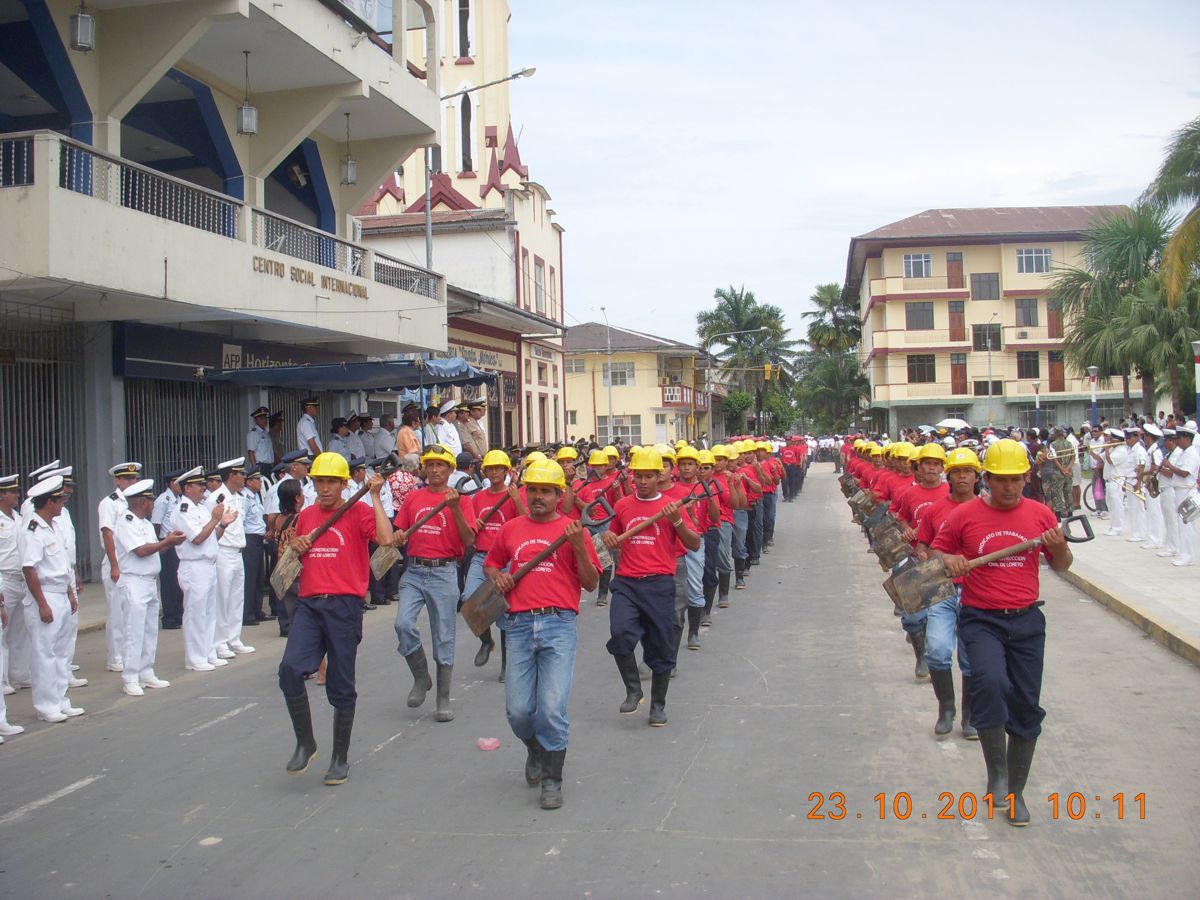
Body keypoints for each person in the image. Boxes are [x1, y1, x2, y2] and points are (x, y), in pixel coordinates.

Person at [932, 439, 1072, 826]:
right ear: (987, 480)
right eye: (1001, 480)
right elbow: (937, 553)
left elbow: (1062, 566)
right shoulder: (965, 516)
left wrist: (1058, 547)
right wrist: (952, 559)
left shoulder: (1041, 515)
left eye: (1016, 480)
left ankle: (1016, 791)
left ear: (1026, 478)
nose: (1009, 487)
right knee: (990, 684)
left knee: (1026, 703)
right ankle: (996, 772)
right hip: (981, 619)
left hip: (1026, 620)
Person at [484, 458, 600, 809]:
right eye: (532, 490)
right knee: (519, 710)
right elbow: (491, 562)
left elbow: (592, 583)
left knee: (550, 709)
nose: (537, 497)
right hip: (517, 626)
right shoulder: (511, 529)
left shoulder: (574, 530)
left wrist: (578, 546)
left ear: (558, 494)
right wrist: (497, 576)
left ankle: (552, 778)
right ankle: (536, 748)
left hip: (558, 624)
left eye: (545, 491)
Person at [278, 452, 393, 785]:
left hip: (344, 607)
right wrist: (295, 548)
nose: (325, 488)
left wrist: (373, 497)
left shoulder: (358, 511)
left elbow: (386, 541)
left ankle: (340, 757)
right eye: (319, 482)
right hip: (309, 605)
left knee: (341, 685)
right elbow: (293, 561)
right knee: (289, 669)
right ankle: (305, 741)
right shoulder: (307, 515)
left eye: (331, 482)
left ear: (345, 484)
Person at [603, 448, 701, 727]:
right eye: (639, 476)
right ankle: (633, 689)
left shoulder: (672, 505)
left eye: (649, 476)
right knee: (620, 633)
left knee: (661, 647)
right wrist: (610, 536)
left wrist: (677, 521)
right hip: (627, 582)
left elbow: (694, 543)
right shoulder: (623, 505)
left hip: (659, 584)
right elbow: (614, 535)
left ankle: (658, 705)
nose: (643, 481)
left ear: (660, 476)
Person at [392, 444, 475, 722]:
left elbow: (469, 540)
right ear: (424, 468)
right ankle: (420, 676)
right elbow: (400, 530)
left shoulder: (462, 500)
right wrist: (399, 536)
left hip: (444, 572)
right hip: (414, 571)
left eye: (441, 465)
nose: (435, 470)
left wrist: (455, 510)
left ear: (451, 469)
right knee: (402, 624)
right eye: (431, 465)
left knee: (444, 635)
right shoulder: (414, 498)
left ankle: (442, 697)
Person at [914, 447, 980, 740]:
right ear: (948, 476)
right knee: (938, 651)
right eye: (957, 472)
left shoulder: (987, 510)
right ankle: (947, 709)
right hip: (942, 590)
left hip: (978, 592)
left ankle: (970, 716)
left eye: (968, 471)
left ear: (977, 477)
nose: (963, 476)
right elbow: (922, 547)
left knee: (971, 658)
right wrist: (936, 561)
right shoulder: (935, 510)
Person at [19, 476, 84, 723]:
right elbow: (29, 569)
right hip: (44, 594)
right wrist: (42, 604)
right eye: (60, 500)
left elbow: (62, 563)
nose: (62, 505)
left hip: (60, 592)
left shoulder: (53, 525)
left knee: (59, 651)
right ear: (49, 502)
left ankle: (60, 700)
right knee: (44, 652)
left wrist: (69, 593)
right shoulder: (32, 529)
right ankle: (46, 705)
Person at [114, 479, 185, 697]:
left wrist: (170, 542)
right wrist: (166, 542)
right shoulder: (126, 521)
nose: (153, 503)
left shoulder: (144, 523)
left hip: (148, 581)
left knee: (149, 629)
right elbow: (141, 551)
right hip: (133, 581)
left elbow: (154, 550)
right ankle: (130, 677)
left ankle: (146, 671)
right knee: (134, 631)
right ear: (143, 502)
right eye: (150, 500)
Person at [465, 450, 525, 670]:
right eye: (490, 469)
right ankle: (486, 641)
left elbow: (524, 522)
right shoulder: (478, 498)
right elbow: (469, 531)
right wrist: (476, 524)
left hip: (506, 559)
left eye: (498, 468)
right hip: (481, 556)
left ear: (507, 470)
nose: (494, 472)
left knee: (504, 609)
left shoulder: (514, 494)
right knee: (469, 598)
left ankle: (506, 664)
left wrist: (517, 500)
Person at [175, 466, 232, 672]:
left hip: (208, 564)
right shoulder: (183, 509)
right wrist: (215, 519)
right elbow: (197, 538)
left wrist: (222, 525)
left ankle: (208, 652)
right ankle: (195, 657)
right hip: (194, 566)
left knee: (209, 613)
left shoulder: (199, 508)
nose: (203, 488)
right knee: (195, 614)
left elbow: (211, 538)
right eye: (199, 485)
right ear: (187, 487)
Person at [98, 462, 143, 673]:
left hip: (131, 560)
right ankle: (115, 656)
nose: (132, 482)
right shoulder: (110, 503)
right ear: (117, 480)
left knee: (131, 609)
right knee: (117, 611)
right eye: (127, 479)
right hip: (115, 560)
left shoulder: (133, 502)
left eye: (134, 479)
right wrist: (114, 565)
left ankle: (128, 652)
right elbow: (107, 533)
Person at [207, 458, 254, 660]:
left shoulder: (239, 497)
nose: (244, 477)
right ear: (231, 475)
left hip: (237, 550)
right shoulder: (217, 498)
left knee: (236, 598)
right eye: (240, 474)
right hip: (223, 550)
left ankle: (234, 638)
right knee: (222, 598)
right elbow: (211, 526)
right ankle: (220, 642)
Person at [0, 473, 27, 739]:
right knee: (2, 637)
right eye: (12, 492)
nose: (17, 495)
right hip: (3, 578)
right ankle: (5, 679)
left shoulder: (18, 518)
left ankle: (18, 673)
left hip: (21, 578)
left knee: (21, 630)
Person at [1159, 421, 1197, 567]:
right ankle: (1183, 553)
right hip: (1180, 490)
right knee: (1182, 524)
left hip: (1186, 490)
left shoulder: (1191, 453)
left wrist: (1169, 466)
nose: (1177, 441)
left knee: (1187, 525)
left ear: (1187, 438)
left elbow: (1184, 472)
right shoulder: (1184, 453)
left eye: (1179, 438)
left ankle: (1188, 556)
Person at [151, 469, 185, 629]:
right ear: (172, 483)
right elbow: (156, 524)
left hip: (177, 543)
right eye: (179, 482)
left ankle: (178, 614)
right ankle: (170, 617)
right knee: (169, 582)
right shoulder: (162, 500)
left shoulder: (179, 499)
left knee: (178, 582)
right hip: (166, 543)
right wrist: (159, 546)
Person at [241, 469, 268, 624]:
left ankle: (257, 611)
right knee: (250, 578)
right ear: (249, 482)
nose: (260, 483)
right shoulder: (245, 498)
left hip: (258, 539)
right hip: (248, 540)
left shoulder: (256, 496)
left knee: (258, 577)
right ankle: (248, 614)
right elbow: (242, 521)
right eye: (257, 480)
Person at [247, 406, 275, 474]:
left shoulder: (266, 433)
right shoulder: (254, 433)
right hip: (260, 466)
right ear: (256, 420)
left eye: (265, 418)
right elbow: (251, 452)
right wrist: (255, 470)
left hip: (269, 466)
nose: (264, 420)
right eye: (261, 418)